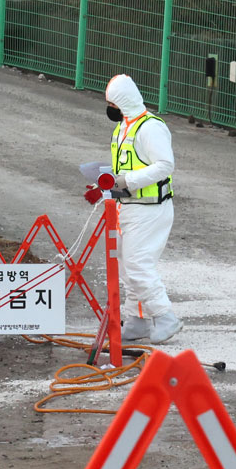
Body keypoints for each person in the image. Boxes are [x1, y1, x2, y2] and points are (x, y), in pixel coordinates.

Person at [103, 74, 181, 344]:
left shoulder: (150, 128)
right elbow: (123, 168)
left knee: (137, 264)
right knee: (126, 265)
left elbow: (164, 165)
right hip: (128, 206)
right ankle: (136, 320)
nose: (109, 109)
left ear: (122, 102)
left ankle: (165, 316)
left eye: (112, 103)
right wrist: (107, 184)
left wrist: (128, 181)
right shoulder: (123, 128)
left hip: (149, 208)